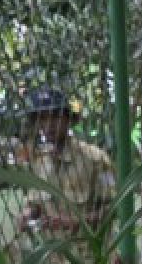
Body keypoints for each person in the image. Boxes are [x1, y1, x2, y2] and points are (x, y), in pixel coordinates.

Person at [17, 88, 115, 237]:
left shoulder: (96, 158)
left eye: (54, 117)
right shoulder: (39, 161)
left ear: (68, 119)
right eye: (42, 119)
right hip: (51, 254)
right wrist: (27, 214)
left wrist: (74, 222)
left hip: (88, 254)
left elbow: (114, 209)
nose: (48, 125)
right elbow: (35, 204)